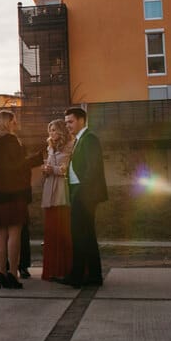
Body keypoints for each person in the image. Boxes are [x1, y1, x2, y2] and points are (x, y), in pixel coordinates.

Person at [0, 110, 40, 290]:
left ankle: (2, 272)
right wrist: (36, 159)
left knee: (1, 233)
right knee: (15, 232)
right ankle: (13, 273)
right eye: (14, 121)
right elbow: (18, 166)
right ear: (8, 123)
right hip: (14, 192)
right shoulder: (13, 142)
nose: (16, 124)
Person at [58, 107, 107, 287]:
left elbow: (92, 169)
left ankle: (78, 276)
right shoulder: (80, 140)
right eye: (66, 123)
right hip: (79, 192)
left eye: (70, 122)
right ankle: (92, 276)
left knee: (80, 236)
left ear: (81, 120)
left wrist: (81, 193)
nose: (67, 126)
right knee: (85, 236)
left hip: (84, 194)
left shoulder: (89, 139)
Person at [41, 119, 75, 283]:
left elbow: (67, 169)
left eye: (54, 130)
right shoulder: (49, 147)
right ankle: (53, 270)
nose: (52, 133)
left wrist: (52, 169)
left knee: (63, 232)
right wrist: (45, 170)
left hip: (62, 190)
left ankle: (65, 269)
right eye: (50, 130)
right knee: (51, 232)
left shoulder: (70, 146)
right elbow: (49, 165)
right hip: (49, 191)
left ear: (61, 131)